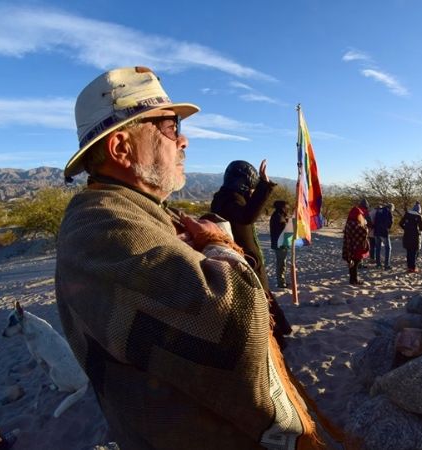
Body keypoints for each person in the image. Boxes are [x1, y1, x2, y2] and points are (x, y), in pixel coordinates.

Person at [55, 67, 328, 449]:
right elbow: (231, 320)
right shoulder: (100, 229)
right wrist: (218, 245)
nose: (183, 140)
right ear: (121, 148)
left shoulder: (134, 210)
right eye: (169, 127)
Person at [210, 160, 292, 347]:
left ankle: (280, 331)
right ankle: (276, 338)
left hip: (244, 258)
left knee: (263, 294)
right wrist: (264, 184)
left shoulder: (224, 198)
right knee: (260, 298)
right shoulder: (230, 199)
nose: (252, 191)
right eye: (251, 186)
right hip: (245, 260)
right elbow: (248, 216)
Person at [343, 199, 370, 284]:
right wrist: (366, 227)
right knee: (355, 263)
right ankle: (354, 280)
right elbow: (363, 232)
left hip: (350, 245)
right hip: (356, 246)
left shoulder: (349, 222)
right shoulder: (356, 224)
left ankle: (353, 279)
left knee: (352, 263)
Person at [269, 200, 290, 288]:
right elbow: (283, 230)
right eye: (286, 207)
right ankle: (281, 283)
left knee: (282, 263)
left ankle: (282, 281)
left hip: (280, 243)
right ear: (282, 207)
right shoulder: (278, 217)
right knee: (281, 264)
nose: (287, 208)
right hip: (280, 244)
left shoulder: (279, 215)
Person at [399, 202, 422, 272]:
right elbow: (421, 228)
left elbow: (400, 223)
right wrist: (418, 232)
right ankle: (412, 268)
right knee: (413, 252)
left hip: (407, 235)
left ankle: (409, 267)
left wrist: (406, 228)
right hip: (414, 237)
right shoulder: (419, 217)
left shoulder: (407, 214)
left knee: (408, 251)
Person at [373, 203, 394, 269]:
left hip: (376, 232)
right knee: (388, 248)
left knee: (378, 248)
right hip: (383, 232)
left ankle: (378, 264)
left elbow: (375, 220)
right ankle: (387, 265)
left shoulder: (379, 210)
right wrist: (388, 228)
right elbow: (390, 222)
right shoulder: (388, 211)